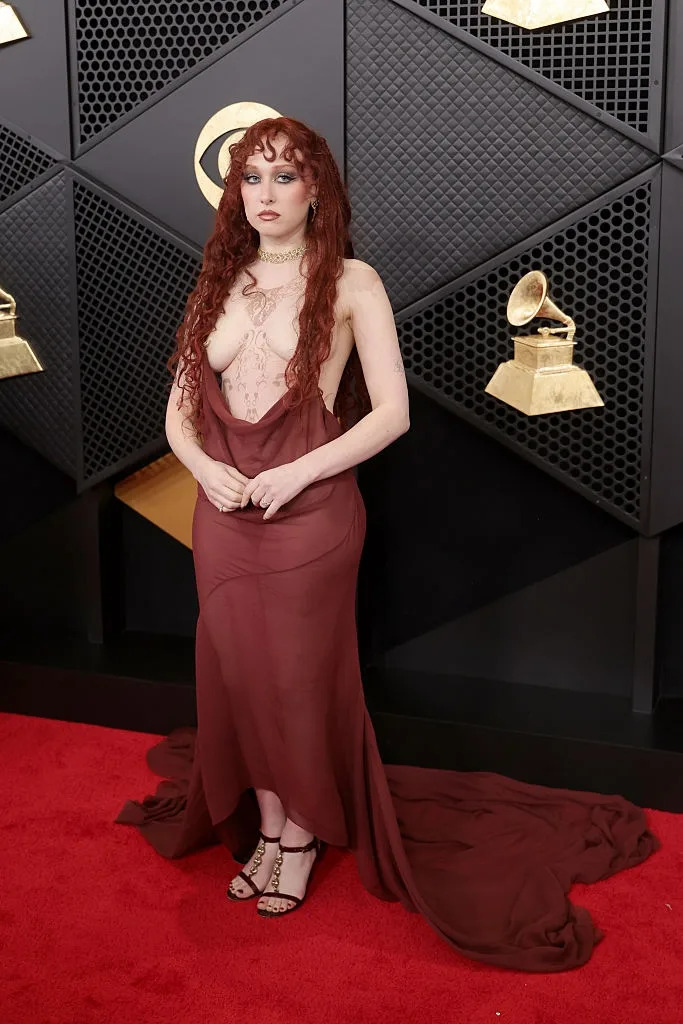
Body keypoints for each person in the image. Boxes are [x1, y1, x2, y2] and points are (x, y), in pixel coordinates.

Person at [117, 116, 659, 967]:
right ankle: (264, 826)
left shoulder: (352, 281)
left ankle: (298, 839)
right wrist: (200, 468)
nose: (265, 195)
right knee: (238, 675)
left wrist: (298, 475)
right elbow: (178, 413)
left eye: (283, 178)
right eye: (250, 179)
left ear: (316, 189)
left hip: (311, 512)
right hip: (224, 515)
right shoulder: (215, 279)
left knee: (295, 679)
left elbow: (393, 415)